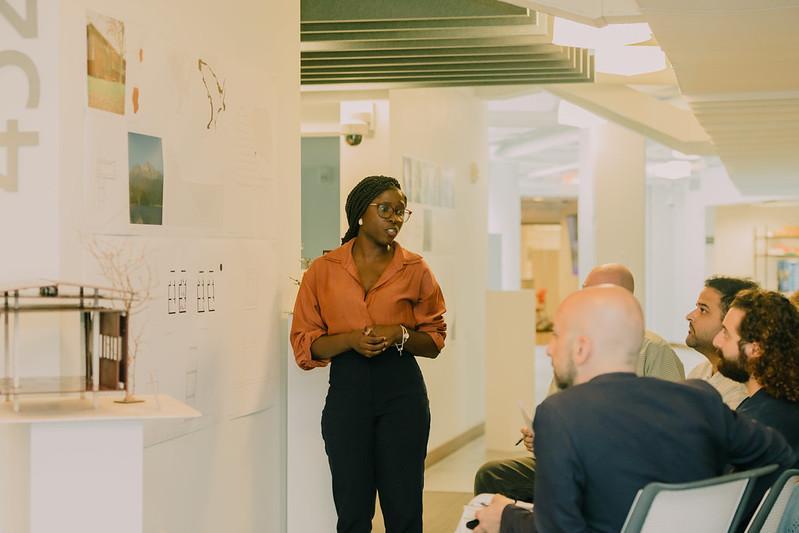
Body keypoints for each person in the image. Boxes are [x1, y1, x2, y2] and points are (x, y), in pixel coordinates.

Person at [473, 285, 795, 533]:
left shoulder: (560, 413)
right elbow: (780, 456)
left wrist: (506, 515)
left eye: (556, 336)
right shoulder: (699, 398)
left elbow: (559, 529)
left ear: (582, 348)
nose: (548, 348)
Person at [290, 175, 447, 533]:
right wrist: (349, 340)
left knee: (404, 509)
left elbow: (435, 340)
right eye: (386, 209)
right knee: (352, 511)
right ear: (361, 214)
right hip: (348, 395)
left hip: (402, 394)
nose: (394, 218)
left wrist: (400, 334)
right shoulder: (323, 271)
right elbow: (304, 344)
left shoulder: (415, 269)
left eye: (400, 212)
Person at [473, 263, 683, 503]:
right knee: (492, 475)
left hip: (618, 467)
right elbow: (555, 408)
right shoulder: (573, 345)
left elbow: (669, 430)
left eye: (590, 292)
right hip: (572, 459)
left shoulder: (653, 350)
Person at [714, 288, 799, 454]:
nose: (716, 341)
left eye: (726, 333)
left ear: (755, 349)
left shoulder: (756, 426)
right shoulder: (787, 406)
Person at [685, 276, 757, 409]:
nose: (689, 316)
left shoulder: (742, 390)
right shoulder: (698, 372)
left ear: (729, 320)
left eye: (703, 310)